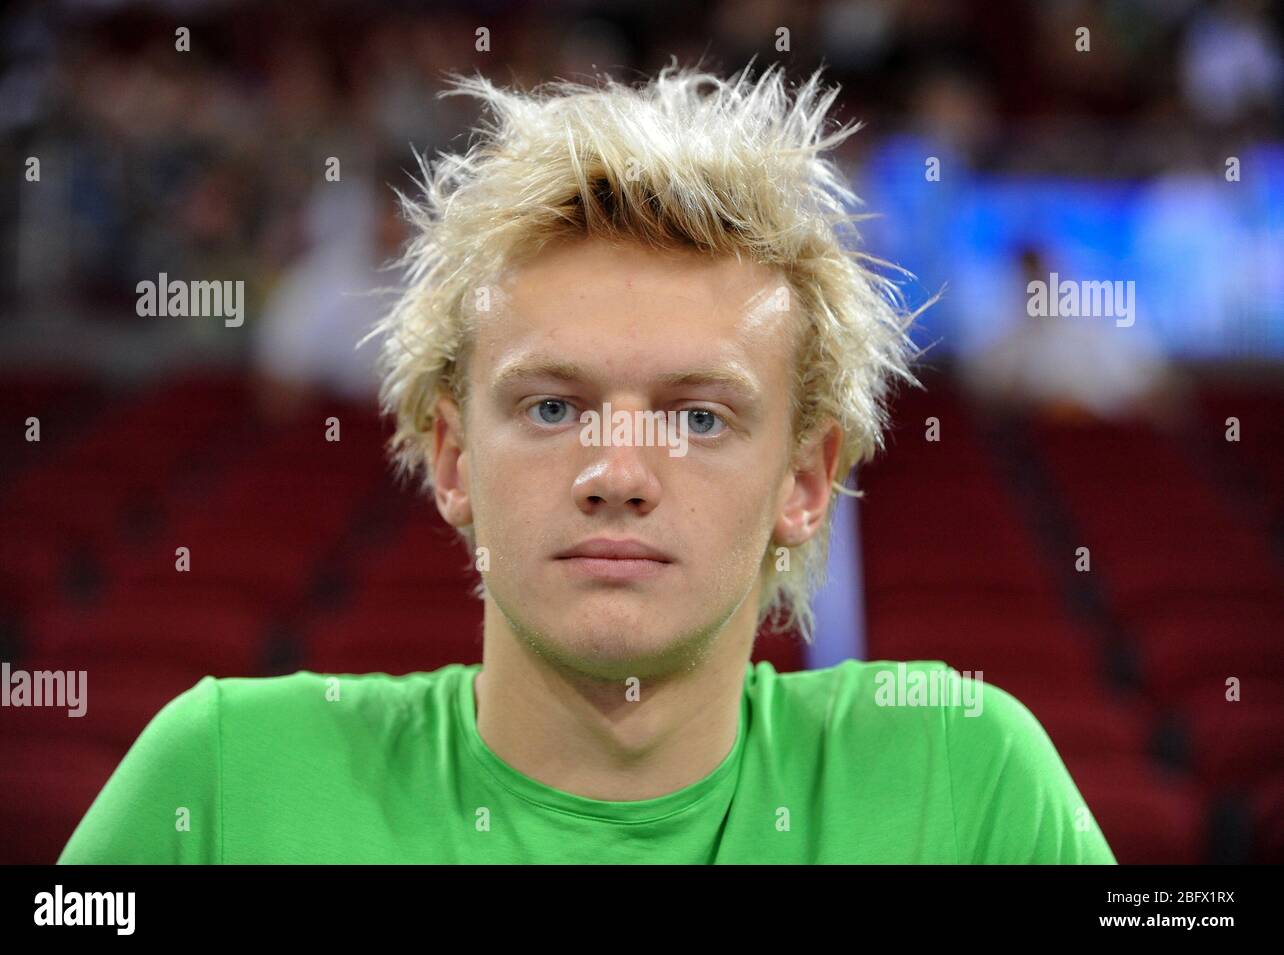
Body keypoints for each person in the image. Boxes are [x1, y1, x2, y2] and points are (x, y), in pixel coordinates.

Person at [58, 61, 1115, 864]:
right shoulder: (224, 775)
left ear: (803, 483)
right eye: (553, 405)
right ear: (452, 459)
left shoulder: (964, 776)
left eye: (699, 418)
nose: (617, 470)